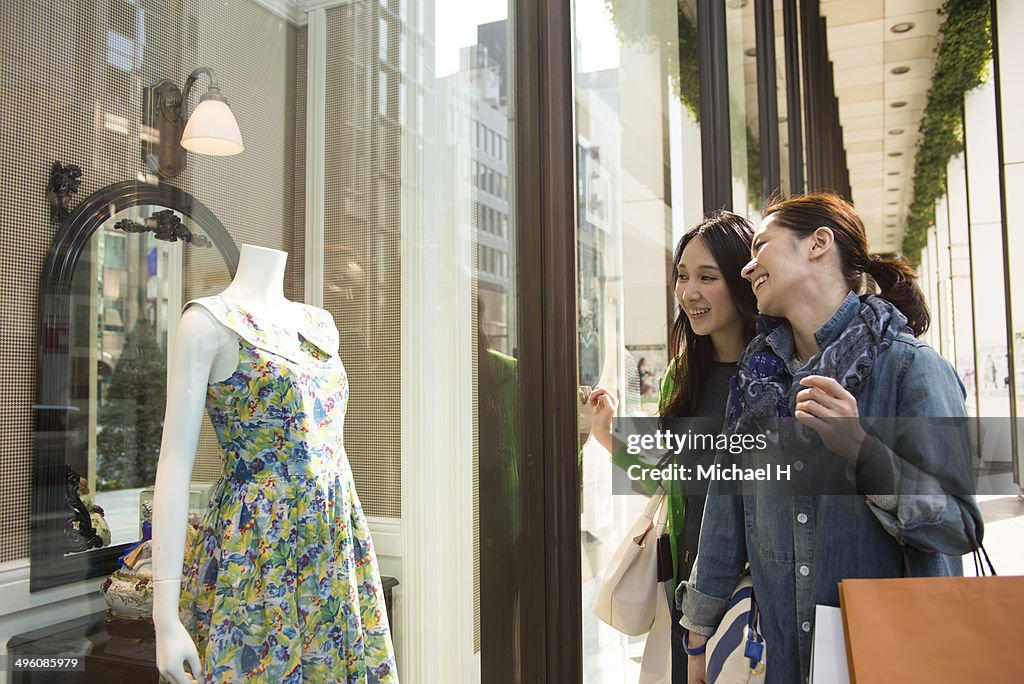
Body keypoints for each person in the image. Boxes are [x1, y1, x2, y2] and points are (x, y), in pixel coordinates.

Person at [679, 192, 983, 684]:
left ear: (819, 244)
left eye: (762, 246)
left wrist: (861, 449)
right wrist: (697, 639)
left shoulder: (909, 369)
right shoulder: (758, 381)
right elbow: (725, 515)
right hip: (779, 664)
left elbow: (958, 529)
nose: (747, 267)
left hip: (891, 662)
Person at [588, 211, 758, 683]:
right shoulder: (682, 376)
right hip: (686, 589)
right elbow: (672, 485)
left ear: (744, 281)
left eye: (707, 277)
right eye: (682, 277)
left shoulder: (777, 374)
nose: (689, 293)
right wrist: (608, 439)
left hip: (754, 593)